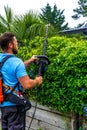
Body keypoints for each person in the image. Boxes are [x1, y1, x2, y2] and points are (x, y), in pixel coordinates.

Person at [0, 32, 43, 130]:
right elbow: (27, 84)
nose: (17, 44)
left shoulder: (2, 59)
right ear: (10, 45)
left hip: (4, 105)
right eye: (15, 42)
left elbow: (12, 68)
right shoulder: (16, 62)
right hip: (15, 107)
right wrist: (37, 80)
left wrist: (30, 60)